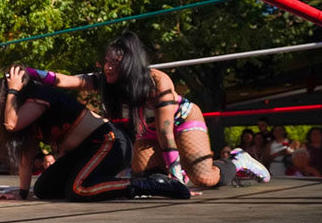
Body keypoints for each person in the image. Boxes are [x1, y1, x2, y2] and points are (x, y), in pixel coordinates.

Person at [23, 31, 270, 188]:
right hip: (147, 132)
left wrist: (177, 182)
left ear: (129, 64)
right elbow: (66, 80)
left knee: (204, 178)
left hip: (181, 122)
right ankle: (180, 171)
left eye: (114, 63)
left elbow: (166, 134)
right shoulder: (106, 82)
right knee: (142, 174)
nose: (108, 68)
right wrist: (29, 72)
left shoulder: (156, 82)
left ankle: (236, 161)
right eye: (106, 62)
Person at [0, 64, 191, 202]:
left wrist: (13, 91)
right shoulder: (28, 114)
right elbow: (26, 155)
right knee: (43, 189)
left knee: (79, 189)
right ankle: (102, 187)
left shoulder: (40, 96)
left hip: (109, 142)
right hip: (84, 152)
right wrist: (22, 193)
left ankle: (150, 184)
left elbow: (11, 124)